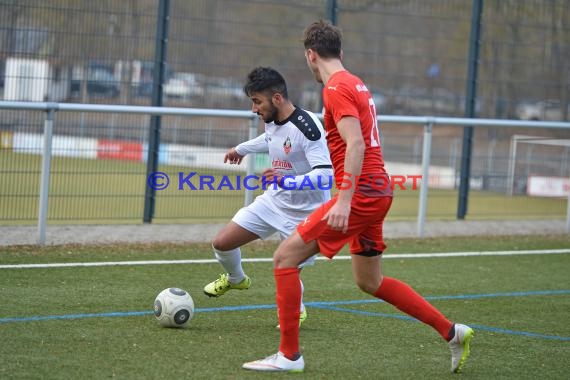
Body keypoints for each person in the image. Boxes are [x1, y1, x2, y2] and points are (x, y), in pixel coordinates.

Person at [242, 20, 474, 374]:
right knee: (370, 281)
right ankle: (451, 332)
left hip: (363, 194)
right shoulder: (357, 84)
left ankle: (289, 356)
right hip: (379, 190)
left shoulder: (336, 88)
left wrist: (345, 200)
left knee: (284, 258)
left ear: (311, 55)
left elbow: (356, 143)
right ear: (341, 52)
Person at [203, 67, 333, 328]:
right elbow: (272, 138)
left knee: (288, 269)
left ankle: (297, 310)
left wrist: (287, 181)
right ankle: (236, 279)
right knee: (222, 242)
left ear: (276, 98)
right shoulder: (272, 119)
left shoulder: (308, 127)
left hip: (307, 213)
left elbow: (326, 176)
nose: (254, 109)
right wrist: (242, 149)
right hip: (274, 201)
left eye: (256, 101)